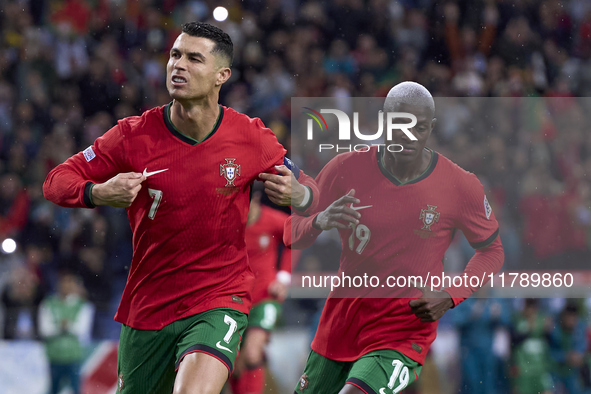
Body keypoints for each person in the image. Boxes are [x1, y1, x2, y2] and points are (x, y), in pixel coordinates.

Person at [43, 22, 318, 394]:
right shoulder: (133, 134)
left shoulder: (250, 136)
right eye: (175, 55)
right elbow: (57, 180)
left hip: (218, 298)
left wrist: (298, 195)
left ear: (222, 75)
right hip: (148, 305)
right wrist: (97, 192)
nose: (178, 65)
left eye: (193, 58)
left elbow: (313, 190)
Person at [286, 81, 504, 394]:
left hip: (403, 332)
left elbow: (492, 251)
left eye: (421, 126)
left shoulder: (460, 185)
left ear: (432, 127)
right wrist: (318, 221)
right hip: (340, 325)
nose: (410, 134)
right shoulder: (345, 168)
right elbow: (292, 233)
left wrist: (452, 294)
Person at [230, 184, 300, 394]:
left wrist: (284, 276)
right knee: (234, 361)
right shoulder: (230, 224)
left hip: (265, 299)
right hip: (235, 301)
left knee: (251, 353)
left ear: (256, 198)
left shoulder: (273, 220)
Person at [38, 271, 94, 394]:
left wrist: (62, 327)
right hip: (54, 355)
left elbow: (82, 330)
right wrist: (65, 327)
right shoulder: (48, 303)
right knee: (53, 389)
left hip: (74, 356)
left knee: (76, 389)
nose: (66, 286)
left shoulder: (83, 305)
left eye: (70, 282)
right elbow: (44, 330)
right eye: (64, 282)